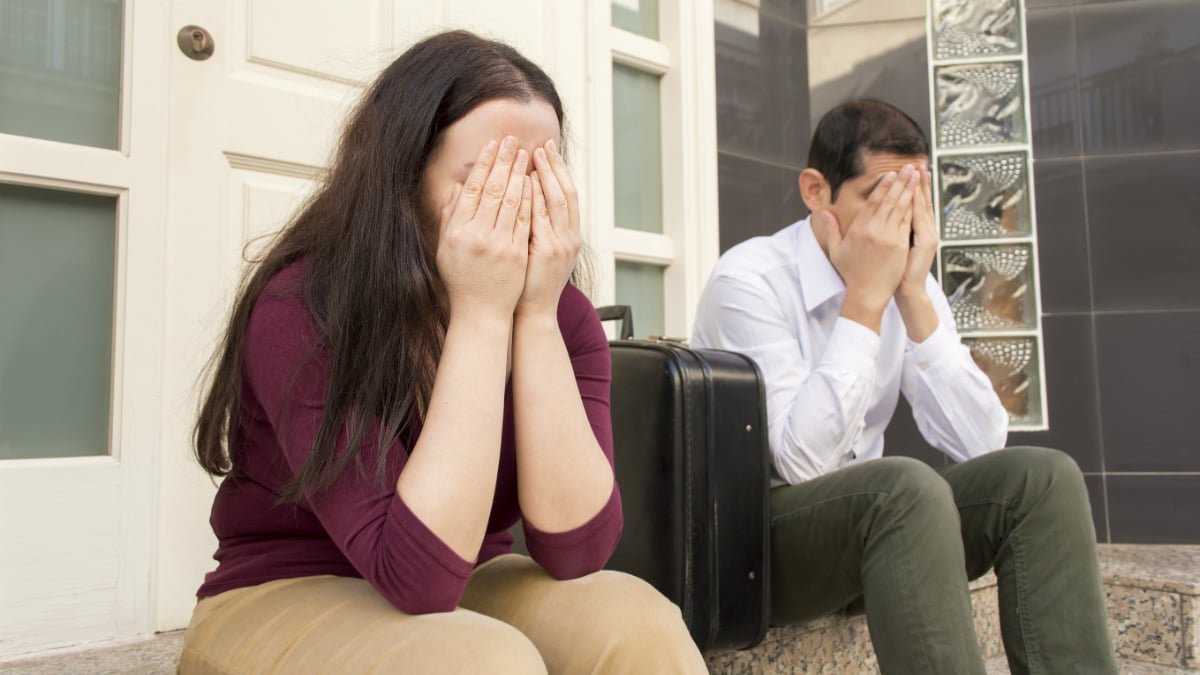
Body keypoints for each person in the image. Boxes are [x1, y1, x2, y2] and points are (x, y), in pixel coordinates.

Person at [180, 30, 707, 674]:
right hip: (284, 587)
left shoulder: (558, 314)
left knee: (636, 621)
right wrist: (482, 314)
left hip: (464, 579)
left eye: (536, 178)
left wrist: (536, 316)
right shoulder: (304, 307)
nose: (517, 204)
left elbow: (577, 552)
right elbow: (415, 577)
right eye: (485, 179)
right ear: (403, 180)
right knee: (478, 660)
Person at [692, 99, 1118, 675]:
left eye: (913, 200)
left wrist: (913, 295)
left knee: (1043, 479)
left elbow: (983, 446)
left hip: (885, 535)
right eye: (879, 199)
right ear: (817, 191)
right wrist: (865, 299)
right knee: (903, 487)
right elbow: (799, 464)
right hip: (761, 545)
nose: (899, 224)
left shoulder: (905, 271)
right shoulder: (749, 279)